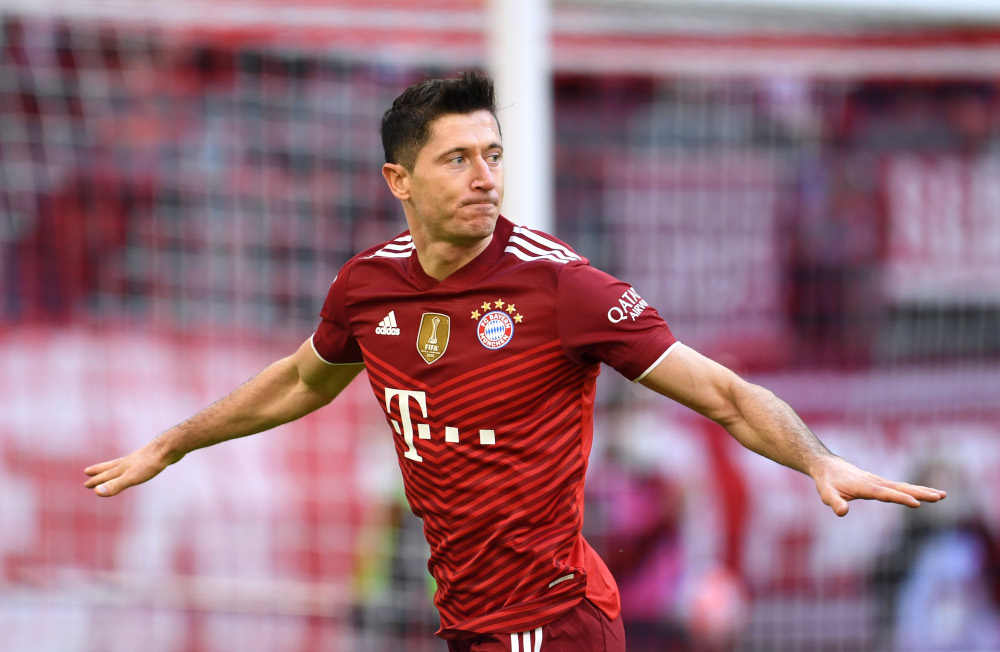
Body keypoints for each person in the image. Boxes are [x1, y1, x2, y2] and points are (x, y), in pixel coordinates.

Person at [84, 71, 946, 651]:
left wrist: (816, 457)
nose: (484, 177)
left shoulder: (561, 287)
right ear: (400, 180)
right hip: (466, 616)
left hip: (552, 618)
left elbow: (719, 391)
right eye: (457, 159)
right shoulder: (369, 287)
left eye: (492, 155)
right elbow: (304, 378)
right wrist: (176, 441)